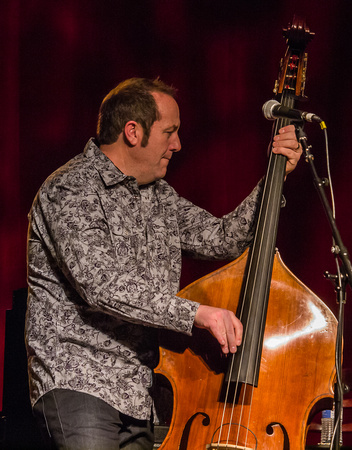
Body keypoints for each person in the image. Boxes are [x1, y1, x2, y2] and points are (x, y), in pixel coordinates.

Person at [25, 77, 302, 449]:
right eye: (170, 132)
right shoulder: (71, 188)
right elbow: (101, 285)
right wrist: (197, 313)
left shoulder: (160, 197)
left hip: (140, 392)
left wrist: (275, 176)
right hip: (80, 382)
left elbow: (224, 238)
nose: (178, 144)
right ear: (133, 132)